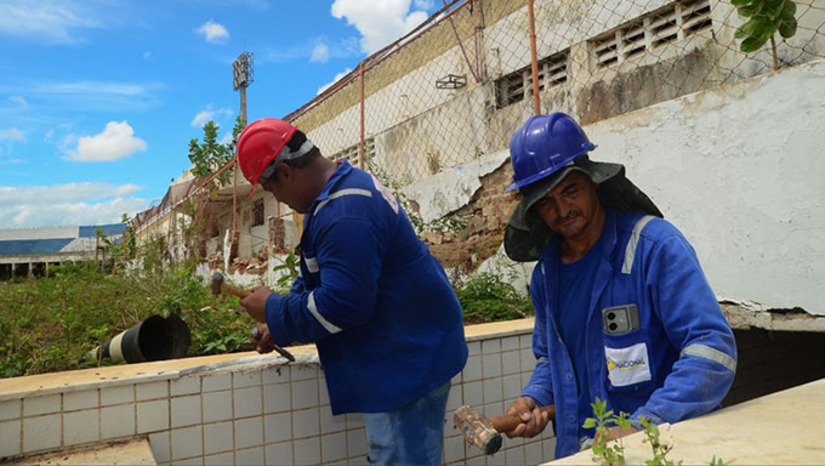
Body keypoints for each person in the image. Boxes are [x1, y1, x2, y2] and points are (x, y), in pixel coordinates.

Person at [500, 112, 737, 459]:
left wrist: (644, 425)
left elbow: (712, 349)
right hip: (581, 452)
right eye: (546, 202)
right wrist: (534, 399)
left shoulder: (654, 248)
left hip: (661, 449)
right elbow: (552, 360)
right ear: (533, 211)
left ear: (593, 182)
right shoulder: (547, 276)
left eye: (570, 191)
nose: (562, 209)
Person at [235, 118, 468, 465]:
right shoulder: (340, 188)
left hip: (406, 362)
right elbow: (324, 276)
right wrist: (278, 324)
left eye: (273, 191)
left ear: (285, 172)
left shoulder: (345, 212)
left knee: (400, 457)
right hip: (409, 348)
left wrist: (275, 309)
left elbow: (344, 305)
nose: (279, 201)